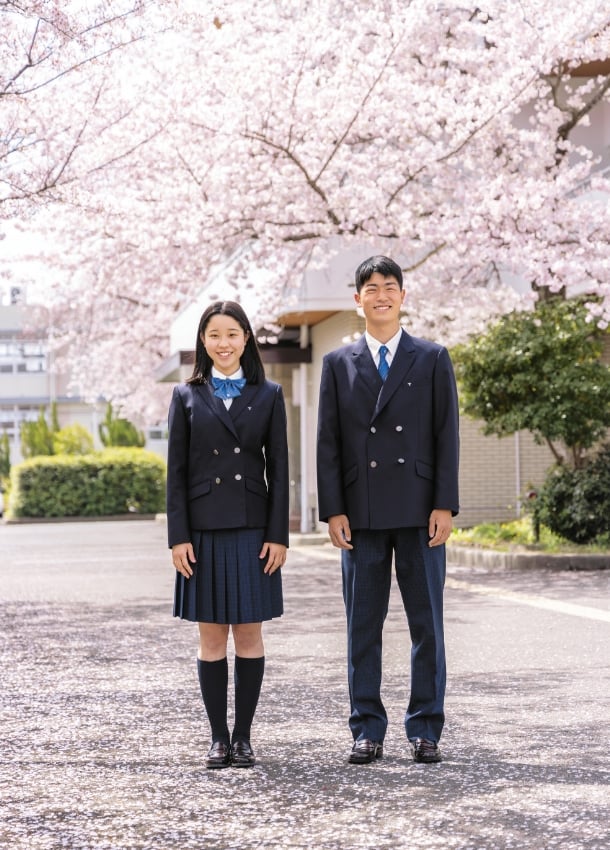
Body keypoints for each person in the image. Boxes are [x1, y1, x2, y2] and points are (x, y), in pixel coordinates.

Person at [316, 255, 459, 765]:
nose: (381, 295)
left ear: (403, 296)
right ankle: (367, 728)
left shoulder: (432, 356)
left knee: (427, 625)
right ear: (357, 299)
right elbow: (328, 442)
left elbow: (447, 436)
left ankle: (425, 728)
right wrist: (332, 509)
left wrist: (445, 503)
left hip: (421, 511)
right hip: (362, 512)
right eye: (371, 288)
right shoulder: (337, 364)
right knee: (363, 625)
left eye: (390, 287)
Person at [166, 300, 289, 769]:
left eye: (233, 334)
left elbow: (279, 469)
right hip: (201, 532)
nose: (224, 343)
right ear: (203, 340)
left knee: (251, 635)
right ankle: (217, 737)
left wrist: (278, 536)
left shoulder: (270, 393)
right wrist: (179, 537)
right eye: (215, 335)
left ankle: (244, 737)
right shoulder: (185, 396)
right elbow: (175, 473)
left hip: (254, 530)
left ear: (246, 339)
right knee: (212, 638)